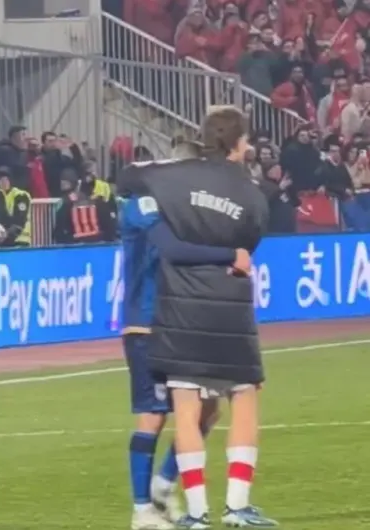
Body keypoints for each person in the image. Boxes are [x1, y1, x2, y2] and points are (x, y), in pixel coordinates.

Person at [122, 106, 276, 528]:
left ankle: (164, 486)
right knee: (156, 414)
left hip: (179, 313)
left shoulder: (178, 207)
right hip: (147, 318)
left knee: (207, 412)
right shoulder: (143, 206)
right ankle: (142, 508)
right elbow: (173, 249)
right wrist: (230, 255)